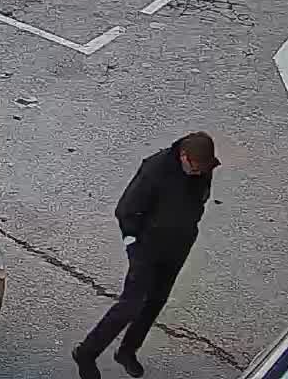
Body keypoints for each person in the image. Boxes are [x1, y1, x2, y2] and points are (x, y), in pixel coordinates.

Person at [74, 132, 219, 379]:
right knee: (131, 304)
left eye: (203, 169)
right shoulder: (155, 170)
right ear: (184, 157)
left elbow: (199, 200)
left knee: (155, 301)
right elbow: (125, 210)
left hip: (177, 247)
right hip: (147, 248)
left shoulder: (202, 166)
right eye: (196, 168)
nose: (200, 173)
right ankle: (87, 352)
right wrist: (133, 246)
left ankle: (127, 351)